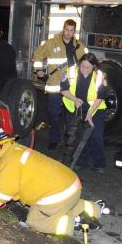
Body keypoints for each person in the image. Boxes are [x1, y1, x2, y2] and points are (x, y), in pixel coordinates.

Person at [0, 128, 114, 236]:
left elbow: (5, 193)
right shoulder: (13, 151)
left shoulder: (10, 161)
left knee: (35, 220)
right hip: (71, 186)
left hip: (57, 193)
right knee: (68, 204)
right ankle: (99, 209)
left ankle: (75, 223)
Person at [32, 19, 88, 150]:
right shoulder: (51, 43)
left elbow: (88, 61)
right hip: (55, 85)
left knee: (71, 115)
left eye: (72, 31)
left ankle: (69, 138)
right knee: (53, 113)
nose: (69, 33)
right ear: (63, 29)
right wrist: (38, 70)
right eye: (67, 30)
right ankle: (54, 138)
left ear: (75, 31)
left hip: (71, 87)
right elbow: (38, 54)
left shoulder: (79, 46)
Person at [60, 53, 110, 173]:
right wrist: (74, 99)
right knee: (76, 135)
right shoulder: (70, 72)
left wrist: (90, 114)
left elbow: (101, 96)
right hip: (75, 108)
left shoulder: (100, 76)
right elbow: (63, 89)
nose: (85, 69)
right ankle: (81, 162)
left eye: (88, 67)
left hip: (96, 110)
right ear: (79, 64)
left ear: (94, 66)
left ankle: (100, 164)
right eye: (83, 66)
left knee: (96, 136)